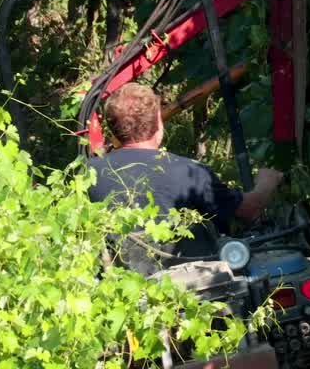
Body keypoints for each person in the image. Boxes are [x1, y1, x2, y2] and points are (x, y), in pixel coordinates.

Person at [88, 82, 283, 270]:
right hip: (199, 291)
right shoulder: (189, 173)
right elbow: (247, 210)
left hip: (123, 293)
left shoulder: (88, 174)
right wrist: (267, 182)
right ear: (158, 120)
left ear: (112, 127)